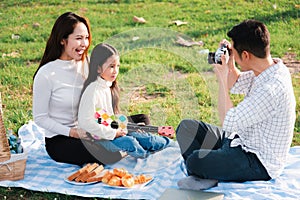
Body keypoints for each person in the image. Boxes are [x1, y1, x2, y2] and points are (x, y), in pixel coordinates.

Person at [176, 19, 296, 190]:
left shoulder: (271, 89)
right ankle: (209, 171)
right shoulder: (270, 68)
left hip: (257, 160)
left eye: (236, 52)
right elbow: (236, 83)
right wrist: (230, 65)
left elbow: (228, 120)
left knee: (195, 160)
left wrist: (222, 77)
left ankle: (206, 171)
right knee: (186, 128)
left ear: (246, 55)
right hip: (239, 141)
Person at [32, 12, 123, 166]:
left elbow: (103, 94)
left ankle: (128, 142)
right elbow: (40, 118)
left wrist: (113, 123)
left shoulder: (87, 64)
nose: (85, 44)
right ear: (62, 40)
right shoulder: (47, 74)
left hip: (92, 128)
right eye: (79, 38)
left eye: (86, 38)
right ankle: (128, 146)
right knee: (108, 155)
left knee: (141, 120)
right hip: (62, 139)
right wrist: (73, 132)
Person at [78, 43, 171, 158]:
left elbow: (110, 118)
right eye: (111, 66)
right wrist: (114, 133)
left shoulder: (108, 86)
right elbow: (85, 122)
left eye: (118, 66)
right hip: (99, 139)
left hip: (113, 129)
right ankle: (146, 161)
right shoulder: (92, 91)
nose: (115, 71)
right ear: (98, 68)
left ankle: (170, 145)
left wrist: (128, 127)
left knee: (147, 139)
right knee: (129, 142)